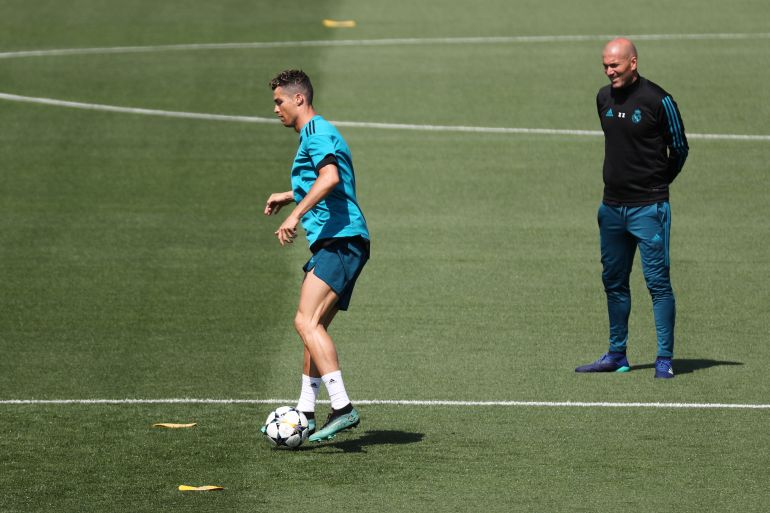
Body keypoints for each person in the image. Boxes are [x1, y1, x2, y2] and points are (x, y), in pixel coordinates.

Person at [263, 69, 370, 440]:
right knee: (313, 328)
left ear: (298, 99)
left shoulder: (316, 133)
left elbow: (330, 178)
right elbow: (322, 180)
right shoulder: (317, 133)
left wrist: (295, 214)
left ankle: (342, 407)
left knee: (304, 321)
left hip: (340, 240)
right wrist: (288, 194)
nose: (275, 109)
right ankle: (306, 412)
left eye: (279, 101)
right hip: (342, 241)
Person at [576, 38, 688, 379]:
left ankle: (664, 358)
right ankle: (616, 354)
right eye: (606, 66)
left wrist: (657, 185)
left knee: (657, 283)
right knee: (613, 281)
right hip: (611, 208)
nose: (610, 72)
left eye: (616, 66)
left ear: (633, 62)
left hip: (649, 209)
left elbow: (679, 148)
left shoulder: (659, 100)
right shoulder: (603, 98)